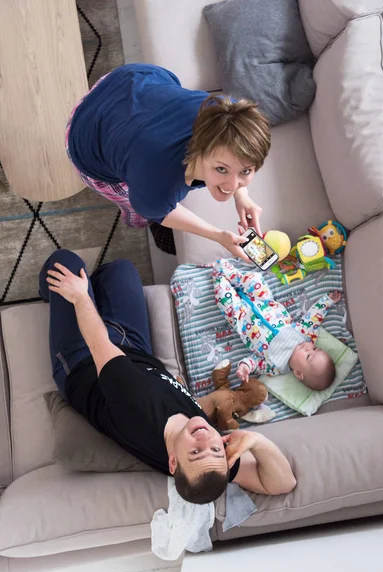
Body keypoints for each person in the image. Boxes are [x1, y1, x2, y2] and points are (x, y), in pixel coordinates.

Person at [39, 249, 296, 505]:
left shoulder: (136, 404)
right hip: (136, 353)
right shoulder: (205, 465)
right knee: (121, 269)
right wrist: (256, 441)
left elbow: (97, 342)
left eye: (195, 451)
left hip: (83, 359)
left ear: (173, 461)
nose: (206, 438)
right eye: (217, 449)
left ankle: (49, 292)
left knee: (66, 265)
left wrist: (80, 296)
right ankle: (92, 286)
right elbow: (283, 483)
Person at [66, 63, 271, 257]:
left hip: (133, 78)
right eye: (221, 169)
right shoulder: (158, 183)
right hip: (84, 135)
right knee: (142, 208)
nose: (232, 185)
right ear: (199, 148)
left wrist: (242, 196)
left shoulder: (230, 115)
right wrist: (217, 236)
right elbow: (157, 209)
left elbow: (236, 162)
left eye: (245, 172)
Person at [213, 259, 342, 391]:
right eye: (315, 349)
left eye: (308, 356)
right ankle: (234, 275)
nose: (309, 349)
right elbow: (314, 317)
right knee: (255, 280)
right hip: (264, 301)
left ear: (298, 373)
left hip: (240, 317)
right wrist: (327, 301)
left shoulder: (275, 366)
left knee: (225, 299)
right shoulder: (305, 335)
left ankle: (219, 276)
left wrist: (245, 366)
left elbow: (256, 363)